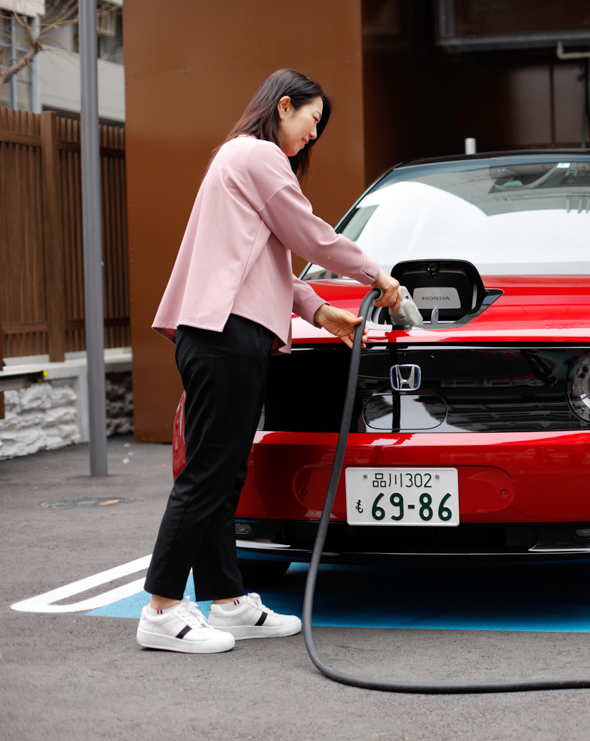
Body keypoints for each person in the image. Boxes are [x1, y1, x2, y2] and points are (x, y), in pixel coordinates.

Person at [136, 69, 402, 653]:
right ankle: (160, 610)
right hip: (225, 335)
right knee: (208, 472)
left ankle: (227, 600)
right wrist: (377, 274)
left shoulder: (240, 161)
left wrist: (318, 310)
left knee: (224, 472)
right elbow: (310, 236)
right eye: (311, 122)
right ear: (283, 107)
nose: (312, 137)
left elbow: (268, 262)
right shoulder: (256, 155)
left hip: (229, 333)